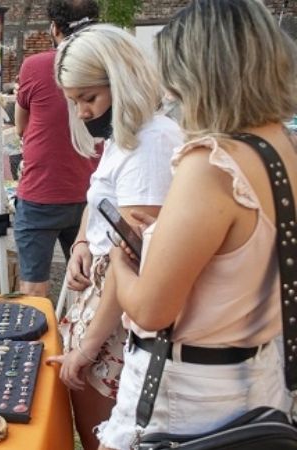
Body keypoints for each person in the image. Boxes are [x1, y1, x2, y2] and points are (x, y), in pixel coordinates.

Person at [98, 1, 296, 448]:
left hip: (189, 396)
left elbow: (150, 310)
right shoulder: (283, 148)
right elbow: (246, 248)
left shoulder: (211, 163)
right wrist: (172, 230)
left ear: (199, 75)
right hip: (259, 379)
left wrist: (117, 253)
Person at [46, 24, 184, 450]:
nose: (84, 112)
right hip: (104, 304)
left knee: (105, 438)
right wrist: (84, 243)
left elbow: (134, 259)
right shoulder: (126, 134)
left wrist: (87, 349)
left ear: (122, 79)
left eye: (89, 98)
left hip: (116, 315)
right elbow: (100, 199)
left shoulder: (151, 142)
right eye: (76, 101)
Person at [13, 0, 100, 298]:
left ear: (54, 28)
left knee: (34, 285)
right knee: (88, 282)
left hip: (42, 192)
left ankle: (34, 343)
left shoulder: (36, 66)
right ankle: (82, 338)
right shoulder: (107, 67)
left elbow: (21, 129)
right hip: (92, 190)